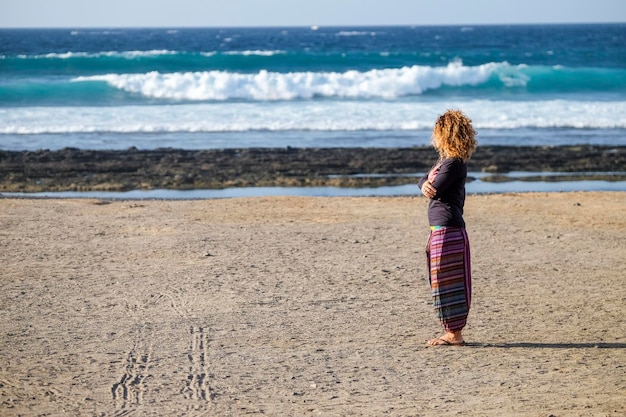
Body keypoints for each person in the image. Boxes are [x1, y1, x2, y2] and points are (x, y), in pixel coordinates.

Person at [418, 109, 477, 346]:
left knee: (448, 281)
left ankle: (454, 334)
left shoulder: (453, 164)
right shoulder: (446, 162)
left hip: (448, 229)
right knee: (440, 280)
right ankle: (452, 332)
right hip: (441, 229)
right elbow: (423, 180)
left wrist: (427, 183)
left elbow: (436, 187)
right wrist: (425, 183)